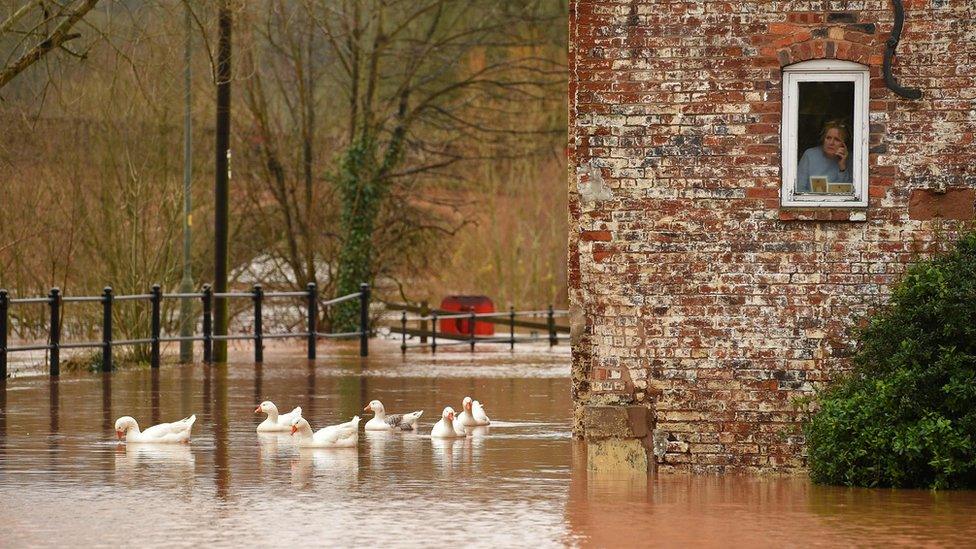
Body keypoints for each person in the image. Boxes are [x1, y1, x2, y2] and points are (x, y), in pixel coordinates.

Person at [796, 120, 852, 192]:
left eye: (837, 139)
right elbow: (800, 188)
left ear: (844, 144)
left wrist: (842, 168)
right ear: (823, 139)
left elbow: (849, 192)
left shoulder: (850, 158)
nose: (831, 143)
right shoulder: (810, 155)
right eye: (828, 138)